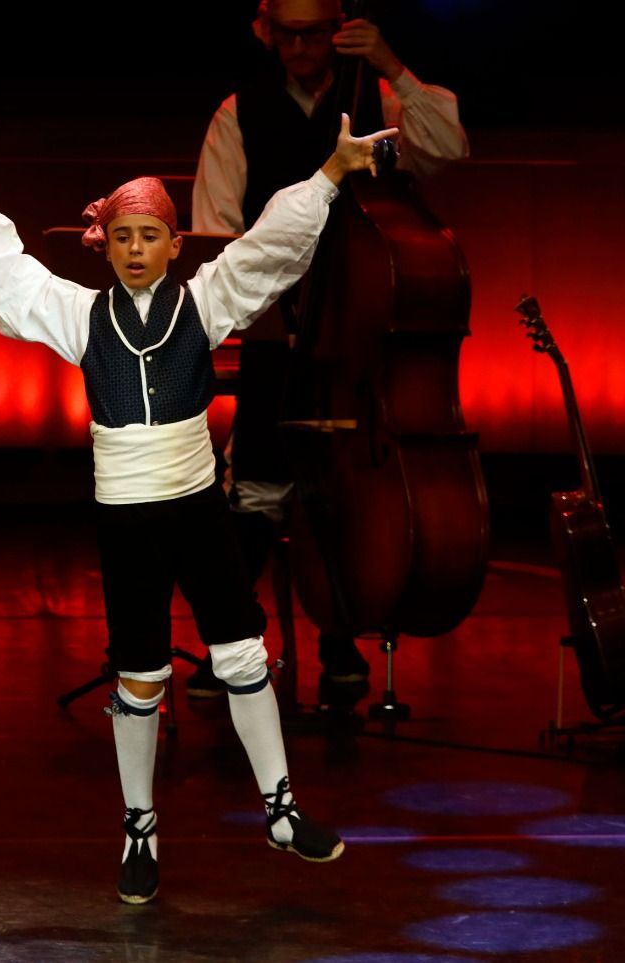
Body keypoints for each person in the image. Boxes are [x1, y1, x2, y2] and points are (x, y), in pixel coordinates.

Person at [0, 111, 395, 903]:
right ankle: (140, 825)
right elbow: (9, 276)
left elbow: (272, 246)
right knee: (139, 673)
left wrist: (334, 173)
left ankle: (280, 809)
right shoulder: (83, 317)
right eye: (125, 236)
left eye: (152, 236)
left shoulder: (204, 305)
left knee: (241, 653)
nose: (137, 249)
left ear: (176, 246)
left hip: (196, 505)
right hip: (126, 516)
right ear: (104, 243)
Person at [186, 0, 469, 702]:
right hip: (279, 337)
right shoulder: (237, 113)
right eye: (289, 32)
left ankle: (344, 636)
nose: (303, 46)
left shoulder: (376, 99)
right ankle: (234, 642)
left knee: (347, 496)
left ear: (341, 29)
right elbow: (217, 231)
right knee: (257, 490)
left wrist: (391, 66)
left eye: (316, 31)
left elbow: (450, 148)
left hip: (366, 349)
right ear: (266, 32)